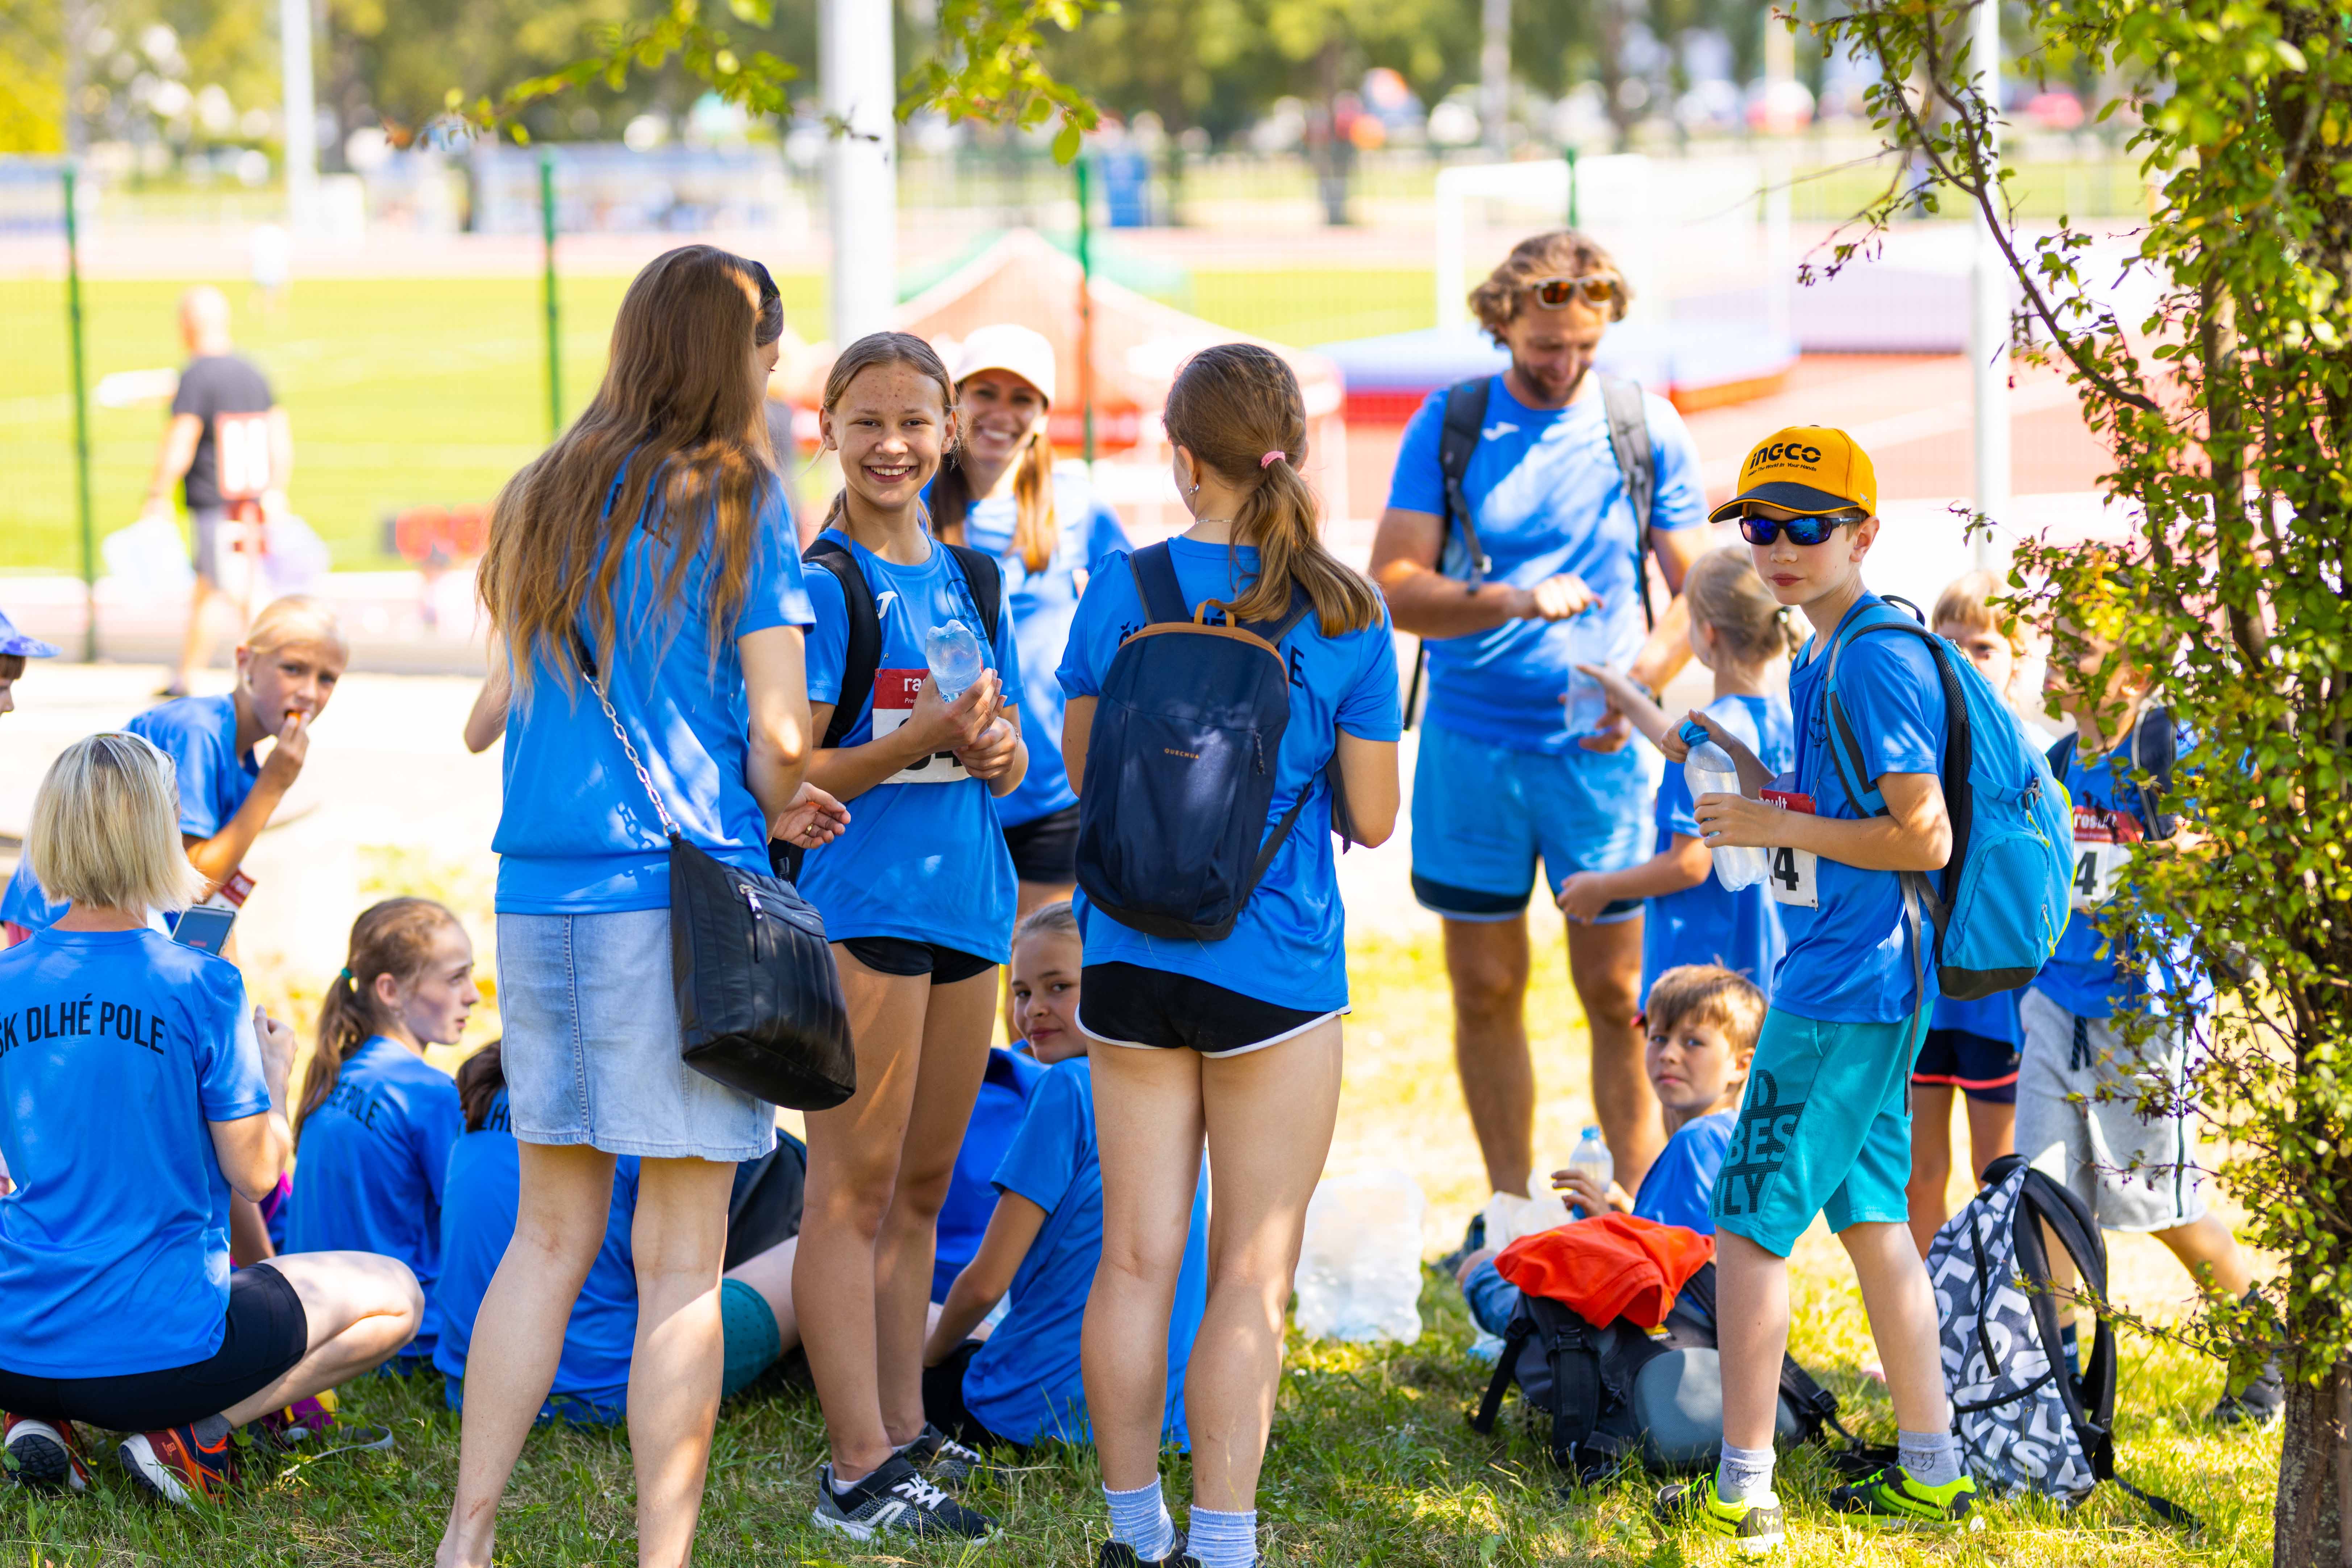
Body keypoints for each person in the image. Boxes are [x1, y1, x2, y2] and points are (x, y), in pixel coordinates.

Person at [434, 244, 846, 1568]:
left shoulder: (543, 489)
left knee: (546, 1236)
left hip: (538, 897)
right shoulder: (740, 496)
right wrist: (791, 791)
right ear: (739, 353)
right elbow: (779, 734)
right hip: (676, 909)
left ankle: (466, 1537)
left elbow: (496, 706)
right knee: (679, 1262)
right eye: (769, 349)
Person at [1063, 343, 1402, 1568]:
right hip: (1274, 967)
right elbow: (1375, 818)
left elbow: (1085, 772)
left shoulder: (1123, 585)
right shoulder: (1349, 611)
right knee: (1251, 1268)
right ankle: (1224, 1539)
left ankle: (1130, 1527)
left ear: (1181, 457)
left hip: (1126, 956)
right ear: (1295, 451)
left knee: (1134, 1254)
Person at [1653, 428, 1976, 1552]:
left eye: (1807, 525)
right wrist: (1750, 779)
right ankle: (1932, 1469)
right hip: (1865, 977)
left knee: (1747, 1224)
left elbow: (1922, 836)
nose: (1780, 546)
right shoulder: (1821, 653)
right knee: (1876, 1219)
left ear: (1863, 533)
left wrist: (1765, 817)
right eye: (1760, 525)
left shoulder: (1875, 657)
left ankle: (1744, 1487)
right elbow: (1836, 814)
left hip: (1847, 983)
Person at [1369, 229, 1711, 1206]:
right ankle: (1508, 1209)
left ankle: (1636, 1213)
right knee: (1483, 988)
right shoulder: (1451, 422)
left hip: (1597, 760)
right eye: (1543, 347)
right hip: (1470, 748)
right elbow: (1393, 584)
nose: (1563, 366)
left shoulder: (1643, 424)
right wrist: (1514, 600)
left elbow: (1701, 591)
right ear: (1502, 323)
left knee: (1620, 994)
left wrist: (1637, 683)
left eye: (1583, 348)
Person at [0, 733, 421, 1504]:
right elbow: (255, 1175)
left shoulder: (6, 978)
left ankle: (35, 1418)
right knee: (397, 1294)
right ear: (159, 835)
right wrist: (274, 1074)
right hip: (156, 1358)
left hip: (15, 1343)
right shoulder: (200, 982)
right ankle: (192, 1436)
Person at [792, 330, 1027, 1542]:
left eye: (914, 422)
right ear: (827, 428)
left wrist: (991, 747)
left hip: (971, 908)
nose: (892, 445)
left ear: (945, 430)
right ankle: (854, 1468)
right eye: (868, 422)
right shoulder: (821, 584)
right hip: (862, 913)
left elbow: (1012, 759)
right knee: (851, 1190)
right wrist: (911, 740)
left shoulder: (972, 576)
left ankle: (901, 1425)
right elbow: (783, 773)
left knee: (925, 1189)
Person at [2018, 603, 2279, 1424]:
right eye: (2057, 646)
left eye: (2078, 651)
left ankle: (2261, 1344)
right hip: (2054, 1003)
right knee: (2045, 1199)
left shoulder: (2167, 751)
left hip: (2144, 1014)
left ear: (2132, 676)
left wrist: (2177, 852)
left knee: (2158, 1205)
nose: (2056, 663)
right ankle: (2059, 1390)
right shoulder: (2058, 760)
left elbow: (2242, 824)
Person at [921, 903, 1210, 1455]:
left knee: (886, 1323)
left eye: (1059, 986)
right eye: (1021, 991)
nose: (1033, 1009)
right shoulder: (1179, 1082)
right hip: (1163, 1424)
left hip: (1032, 1415)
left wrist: (929, 1360)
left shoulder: (1066, 1089)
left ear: (1117, 983)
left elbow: (984, 1284)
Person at [434, 1045, 806, 1425]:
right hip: (614, 1390)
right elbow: (675, 1272)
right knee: (807, 1249)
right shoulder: (627, 1115)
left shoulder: (481, 1097)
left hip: (473, 1382)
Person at [928, 324, 1132, 926]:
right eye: (984, 393)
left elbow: (1134, 621)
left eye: (1021, 398)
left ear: (1042, 415)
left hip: (1051, 792)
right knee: (956, 967)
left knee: (1042, 967)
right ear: (954, 403)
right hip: (948, 785)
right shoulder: (913, 503)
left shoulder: (1078, 505)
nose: (1001, 412)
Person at [0, 594, 349, 937]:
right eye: (293, 669)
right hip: (61, 916)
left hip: (111, 921)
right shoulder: (198, 732)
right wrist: (272, 788)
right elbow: (190, 885)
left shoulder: (243, 753)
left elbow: (214, 887)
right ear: (246, 661)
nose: (308, 693)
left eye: (327, 679)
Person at [1453, 964, 1762, 1338]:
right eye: (1658, 1037)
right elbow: (1686, 1243)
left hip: (1652, 1332)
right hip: (1693, 1326)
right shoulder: (1734, 1136)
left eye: (1693, 1042)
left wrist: (1604, 1224)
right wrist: (1622, 1215)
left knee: (1479, 1266)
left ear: (1741, 1064)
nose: (1668, 1054)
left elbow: (1680, 1275)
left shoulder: (1697, 1141)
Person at [1558, 548, 1797, 1001]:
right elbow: (1678, 741)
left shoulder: (1700, 742)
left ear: (1706, 635)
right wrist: (1626, 694)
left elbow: (1688, 864)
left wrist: (1601, 888)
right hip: (1767, 957)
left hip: (1701, 972)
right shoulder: (1780, 721)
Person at [1905, 570, 2054, 1251]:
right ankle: (1928, 1309)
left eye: (1983, 647)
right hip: (1925, 988)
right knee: (1917, 1174)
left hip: (1998, 996)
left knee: (1997, 1176)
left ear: (2017, 662)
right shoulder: (1915, 747)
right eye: (1949, 643)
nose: (1963, 659)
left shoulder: (2030, 755)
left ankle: (2003, 1309)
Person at [283, 898, 478, 1374]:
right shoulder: (429, 1093)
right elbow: (473, 1230)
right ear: (390, 990)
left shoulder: (336, 1070)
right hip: (401, 1340)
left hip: (315, 1325)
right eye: (455, 979)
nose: (473, 995)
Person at [144, 286, 293, 697]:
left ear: (187, 325)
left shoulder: (195, 375)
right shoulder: (252, 371)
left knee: (239, 592)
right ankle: (187, 675)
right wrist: (276, 488)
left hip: (216, 502)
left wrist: (157, 493)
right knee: (210, 587)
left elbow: (182, 438)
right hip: (251, 499)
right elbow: (279, 436)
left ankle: (276, 671)